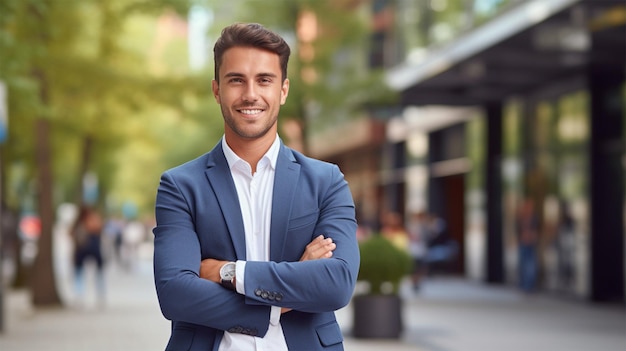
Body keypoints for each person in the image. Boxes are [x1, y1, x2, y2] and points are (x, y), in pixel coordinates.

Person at [152, 23, 360, 351]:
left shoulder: (326, 181)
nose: (251, 94)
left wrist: (228, 272)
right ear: (217, 90)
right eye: (236, 80)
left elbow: (336, 285)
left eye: (264, 80)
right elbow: (176, 294)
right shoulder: (180, 186)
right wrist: (286, 296)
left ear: (284, 90)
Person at [70, 204, 106, 306]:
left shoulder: (78, 222)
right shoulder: (92, 219)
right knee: (94, 273)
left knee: (80, 273)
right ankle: (97, 295)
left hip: (82, 249)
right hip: (90, 248)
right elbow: (99, 228)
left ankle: (81, 296)